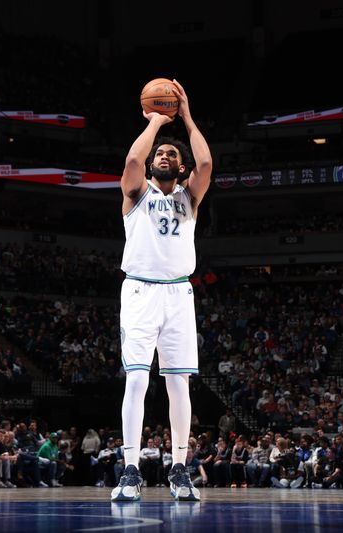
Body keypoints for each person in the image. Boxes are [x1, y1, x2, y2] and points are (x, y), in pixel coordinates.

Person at [112, 79, 212, 503]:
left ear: (181, 168)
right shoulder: (136, 193)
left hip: (177, 295)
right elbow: (134, 157)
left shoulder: (190, 196)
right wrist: (155, 121)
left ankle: (179, 469)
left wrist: (186, 117)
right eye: (161, 154)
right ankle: (131, 469)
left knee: (178, 386)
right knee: (136, 380)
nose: (164, 155)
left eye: (173, 154)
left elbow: (206, 164)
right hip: (139, 292)